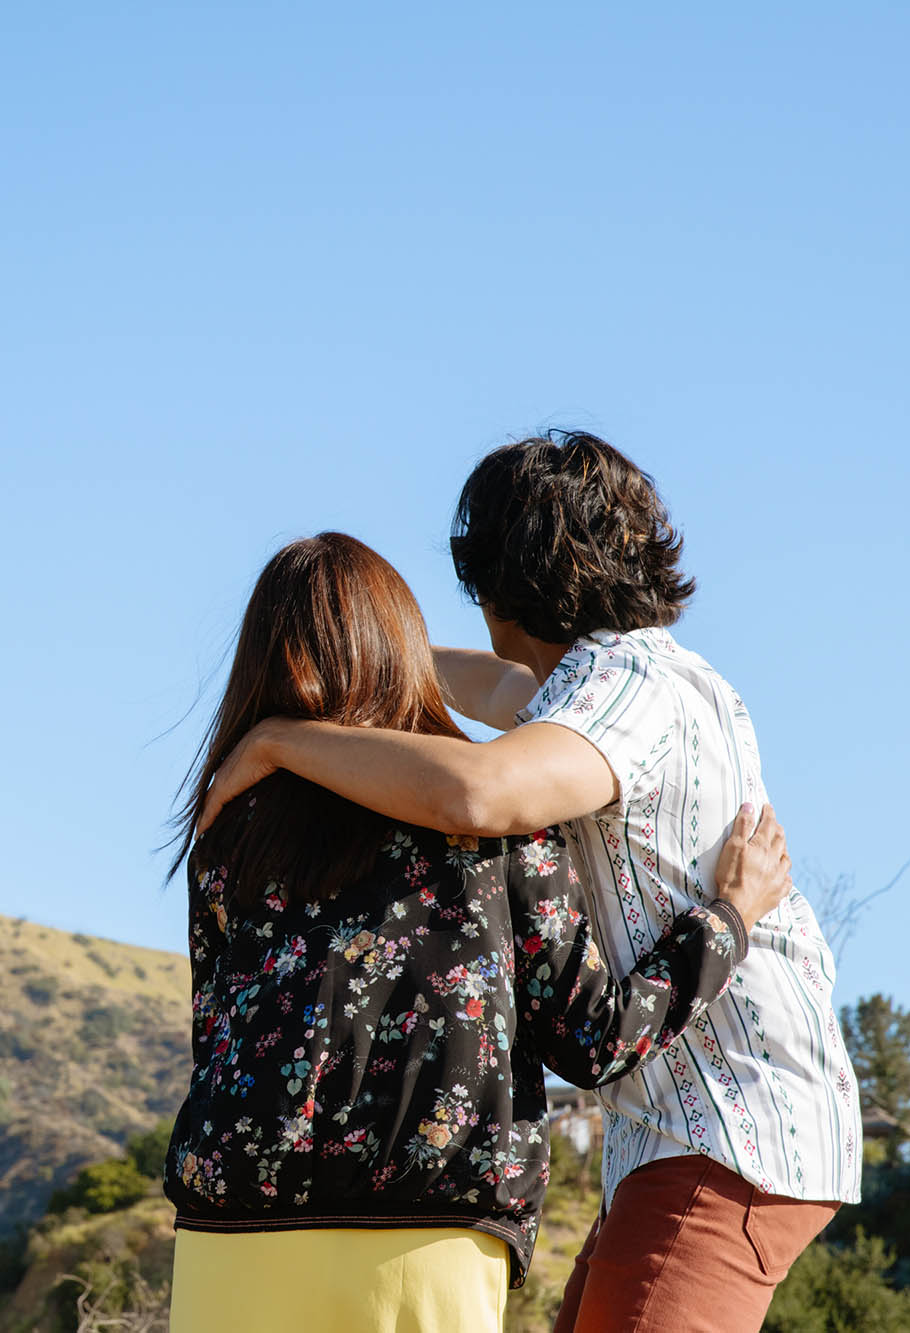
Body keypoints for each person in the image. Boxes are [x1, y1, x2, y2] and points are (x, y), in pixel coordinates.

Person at [199, 435, 859, 1332]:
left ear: (508, 587)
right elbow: (494, 685)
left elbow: (478, 792)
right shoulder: (622, 680)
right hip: (683, 1127)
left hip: (730, 1129)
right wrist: (372, 657)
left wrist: (281, 739)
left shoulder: (624, 685)